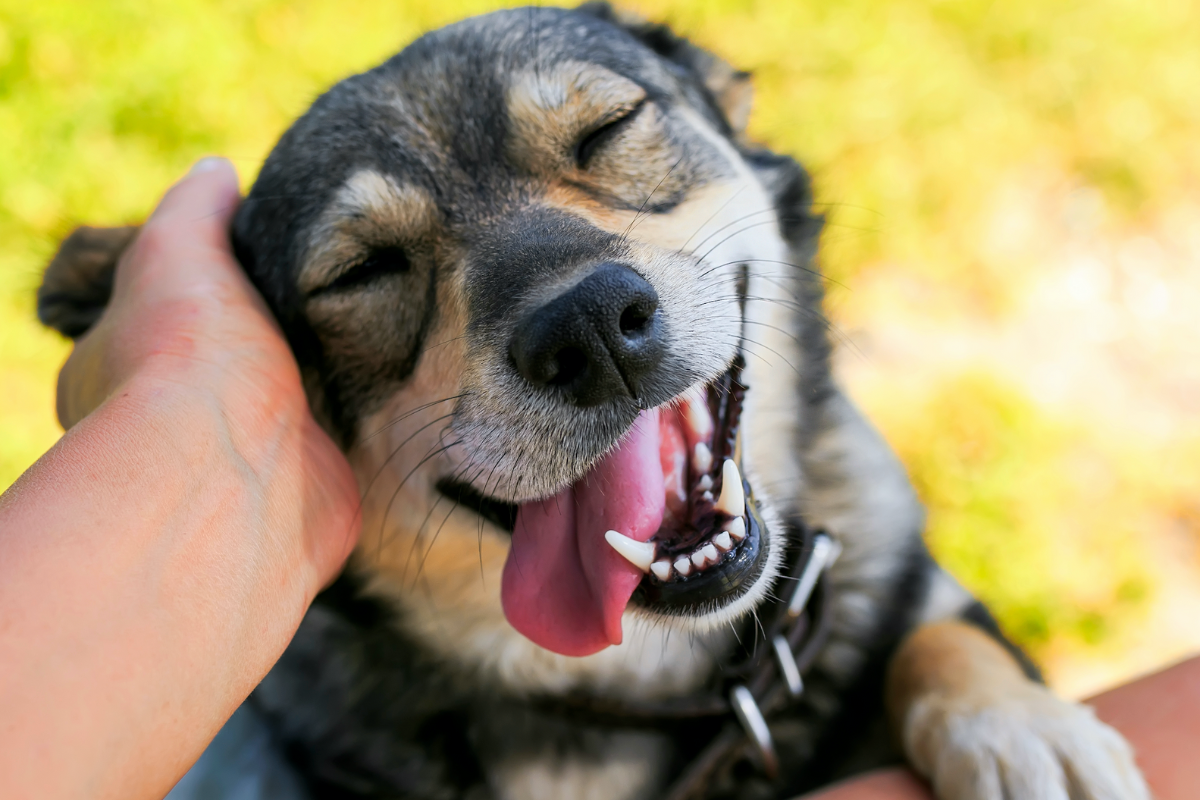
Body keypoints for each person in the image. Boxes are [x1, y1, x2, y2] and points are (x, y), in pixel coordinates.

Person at [0, 160, 1195, 800]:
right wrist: (190, 401)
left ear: (733, 135)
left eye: (606, 142)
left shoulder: (853, 518)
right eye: (368, 267)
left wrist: (951, 669)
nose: (575, 303)